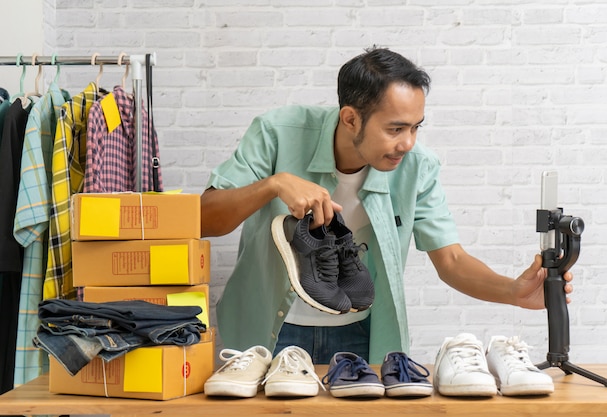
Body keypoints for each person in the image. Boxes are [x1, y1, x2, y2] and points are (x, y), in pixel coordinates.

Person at [200, 47, 573, 365]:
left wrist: (514, 291)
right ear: (351, 118)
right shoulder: (277, 132)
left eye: (416, 127)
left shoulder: (417, 167)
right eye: (396, 129)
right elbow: (204, 219)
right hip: (264, 333)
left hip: (361, 336)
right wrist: (274, 184)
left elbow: (452, 260)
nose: (408, 143)